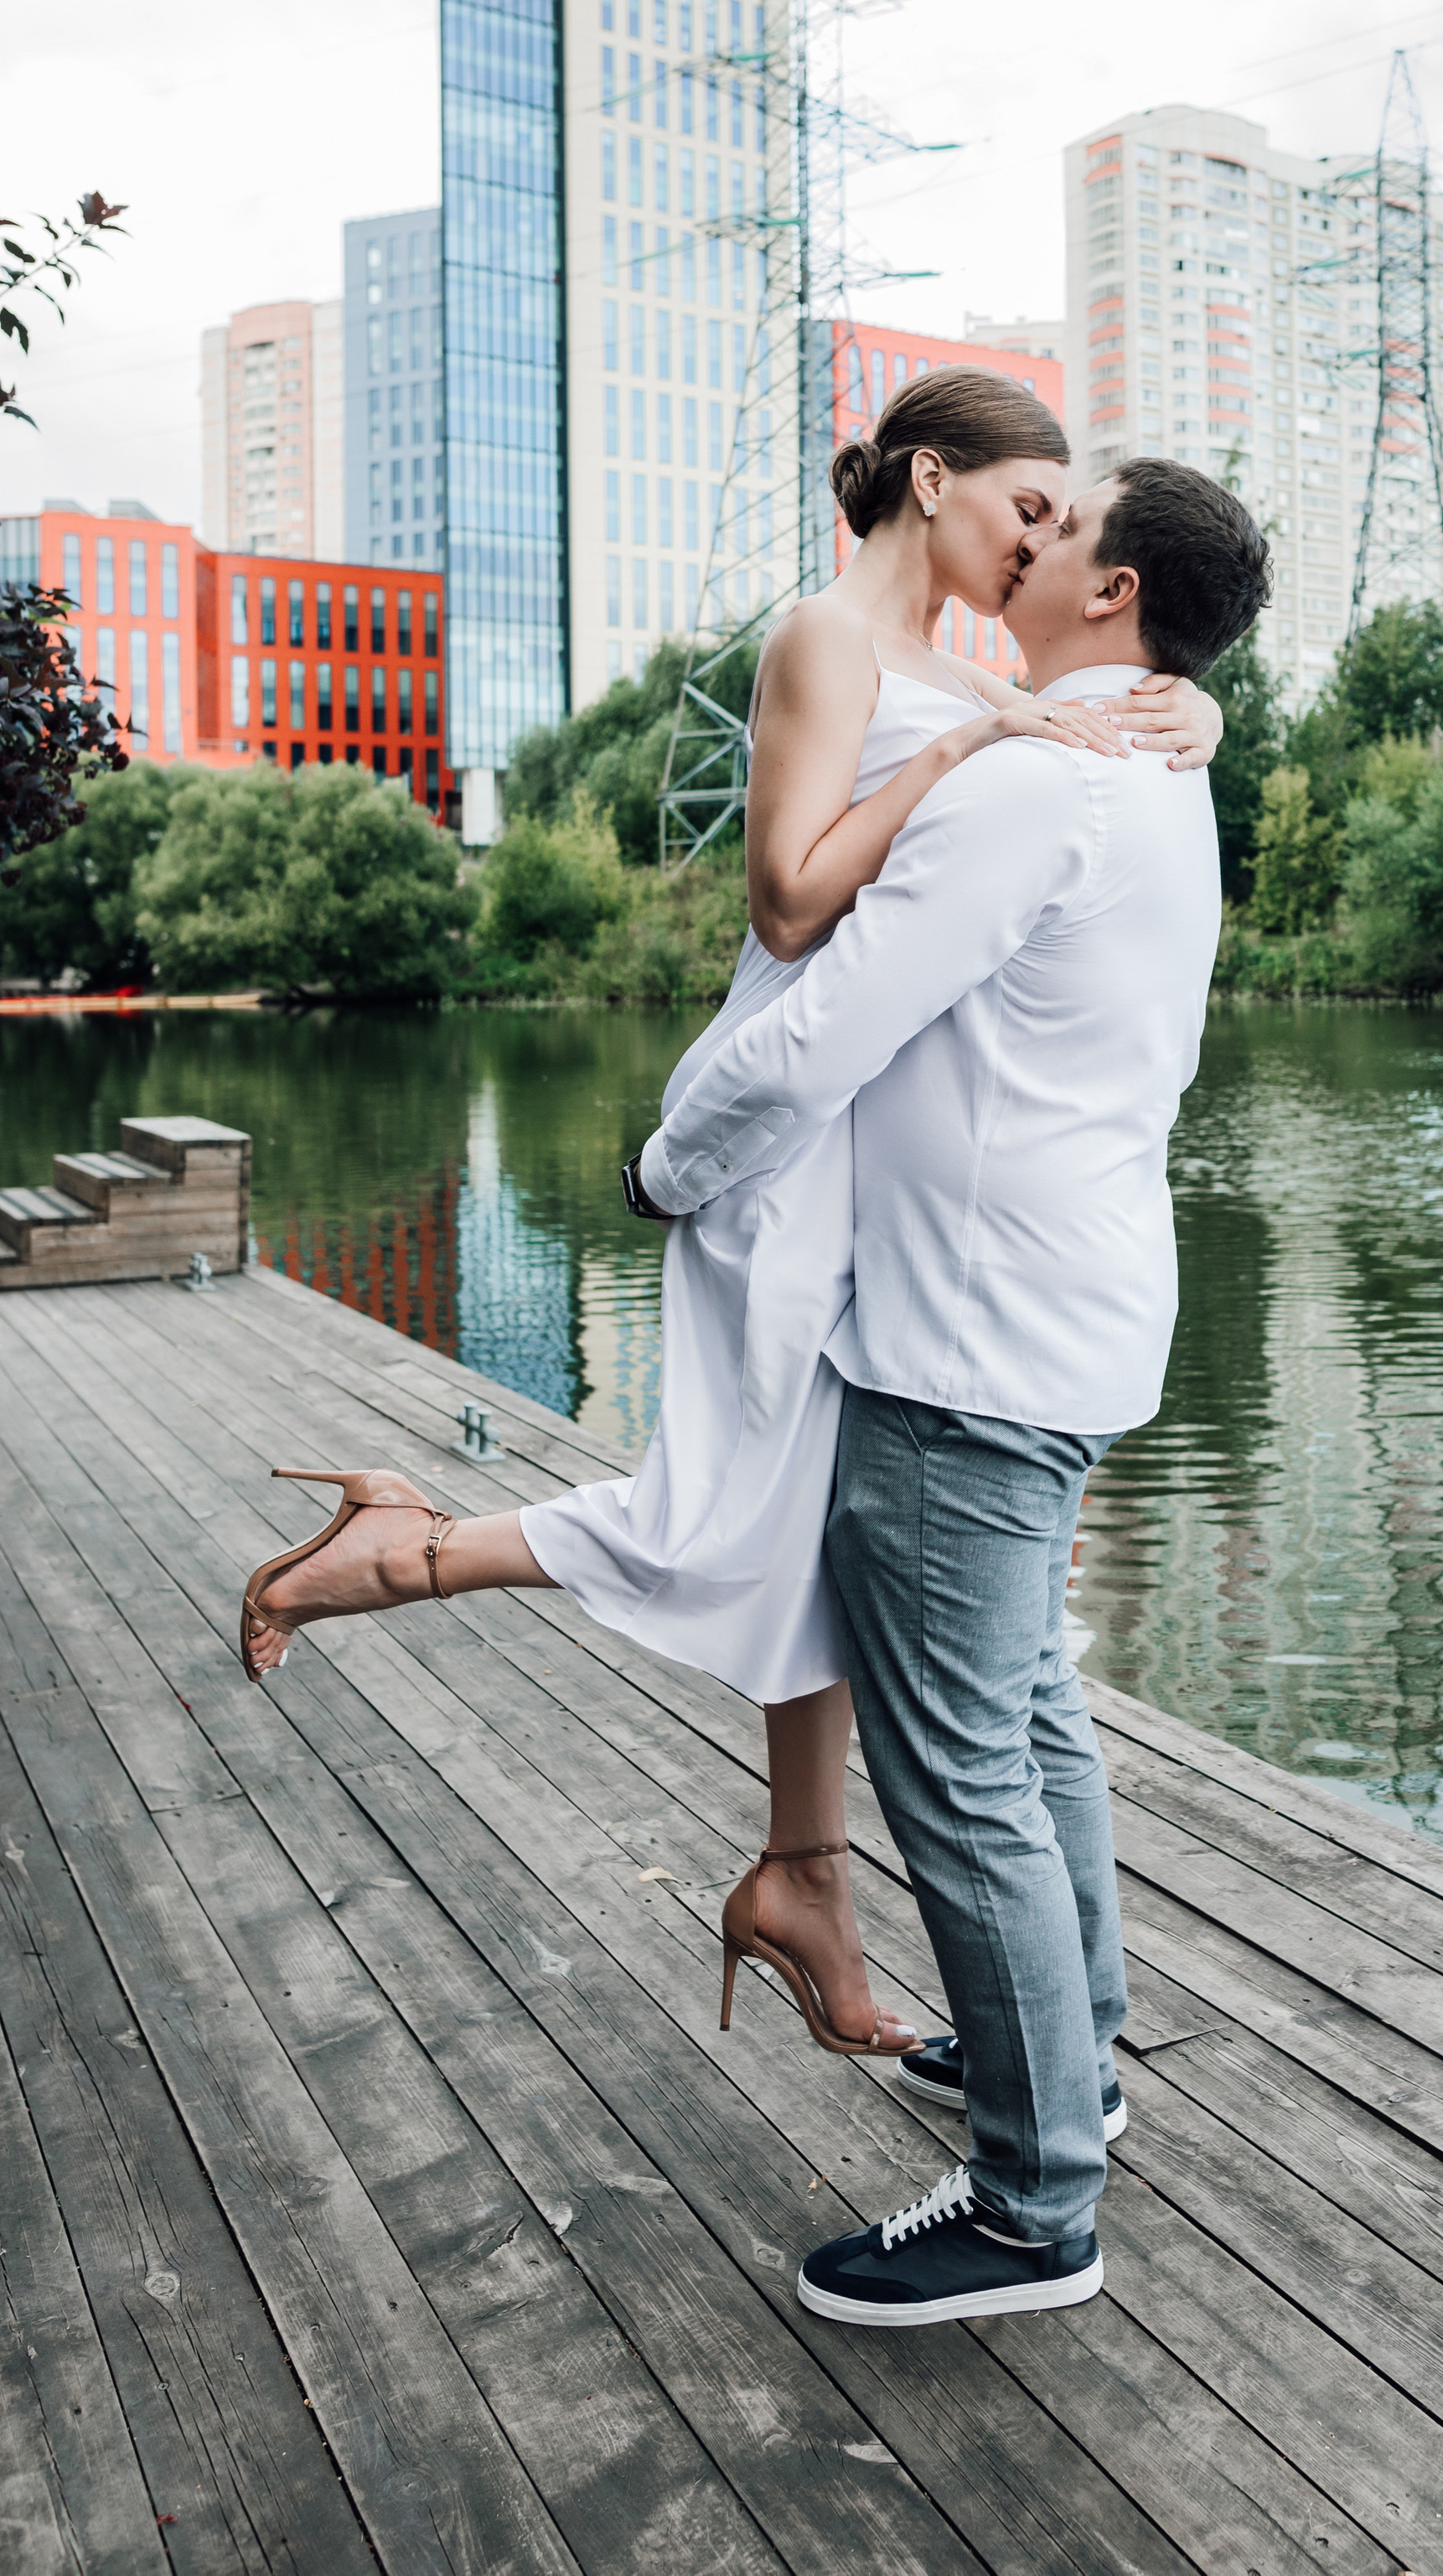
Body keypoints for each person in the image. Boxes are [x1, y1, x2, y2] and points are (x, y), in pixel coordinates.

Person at [237, 371, 1224, 2061]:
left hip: (872, 1148)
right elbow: (784, 900)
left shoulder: (977, 672)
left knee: (813, 1528)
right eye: (1023, 507)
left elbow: (1098, 738)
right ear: (932, 480)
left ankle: (800, 1878)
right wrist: (984, 744)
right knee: (731, 1514)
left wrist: (1179, 710)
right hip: (782, 1125)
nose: (1040, 537)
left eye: (1062, 522)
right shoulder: (825, 641)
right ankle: (392, 1556)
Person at [628, 454, 1270, 2328]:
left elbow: (829, 1015)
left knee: (960, 1763)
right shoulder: (1153, 765)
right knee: (1025, 1715)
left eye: (1065, 529)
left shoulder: (1048, 780)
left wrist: (669, 1165)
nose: (1029, 539)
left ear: (1117, 590)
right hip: (1065, 1317)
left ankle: (1028, 2201)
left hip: (969, 1340)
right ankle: (1074, 2058)